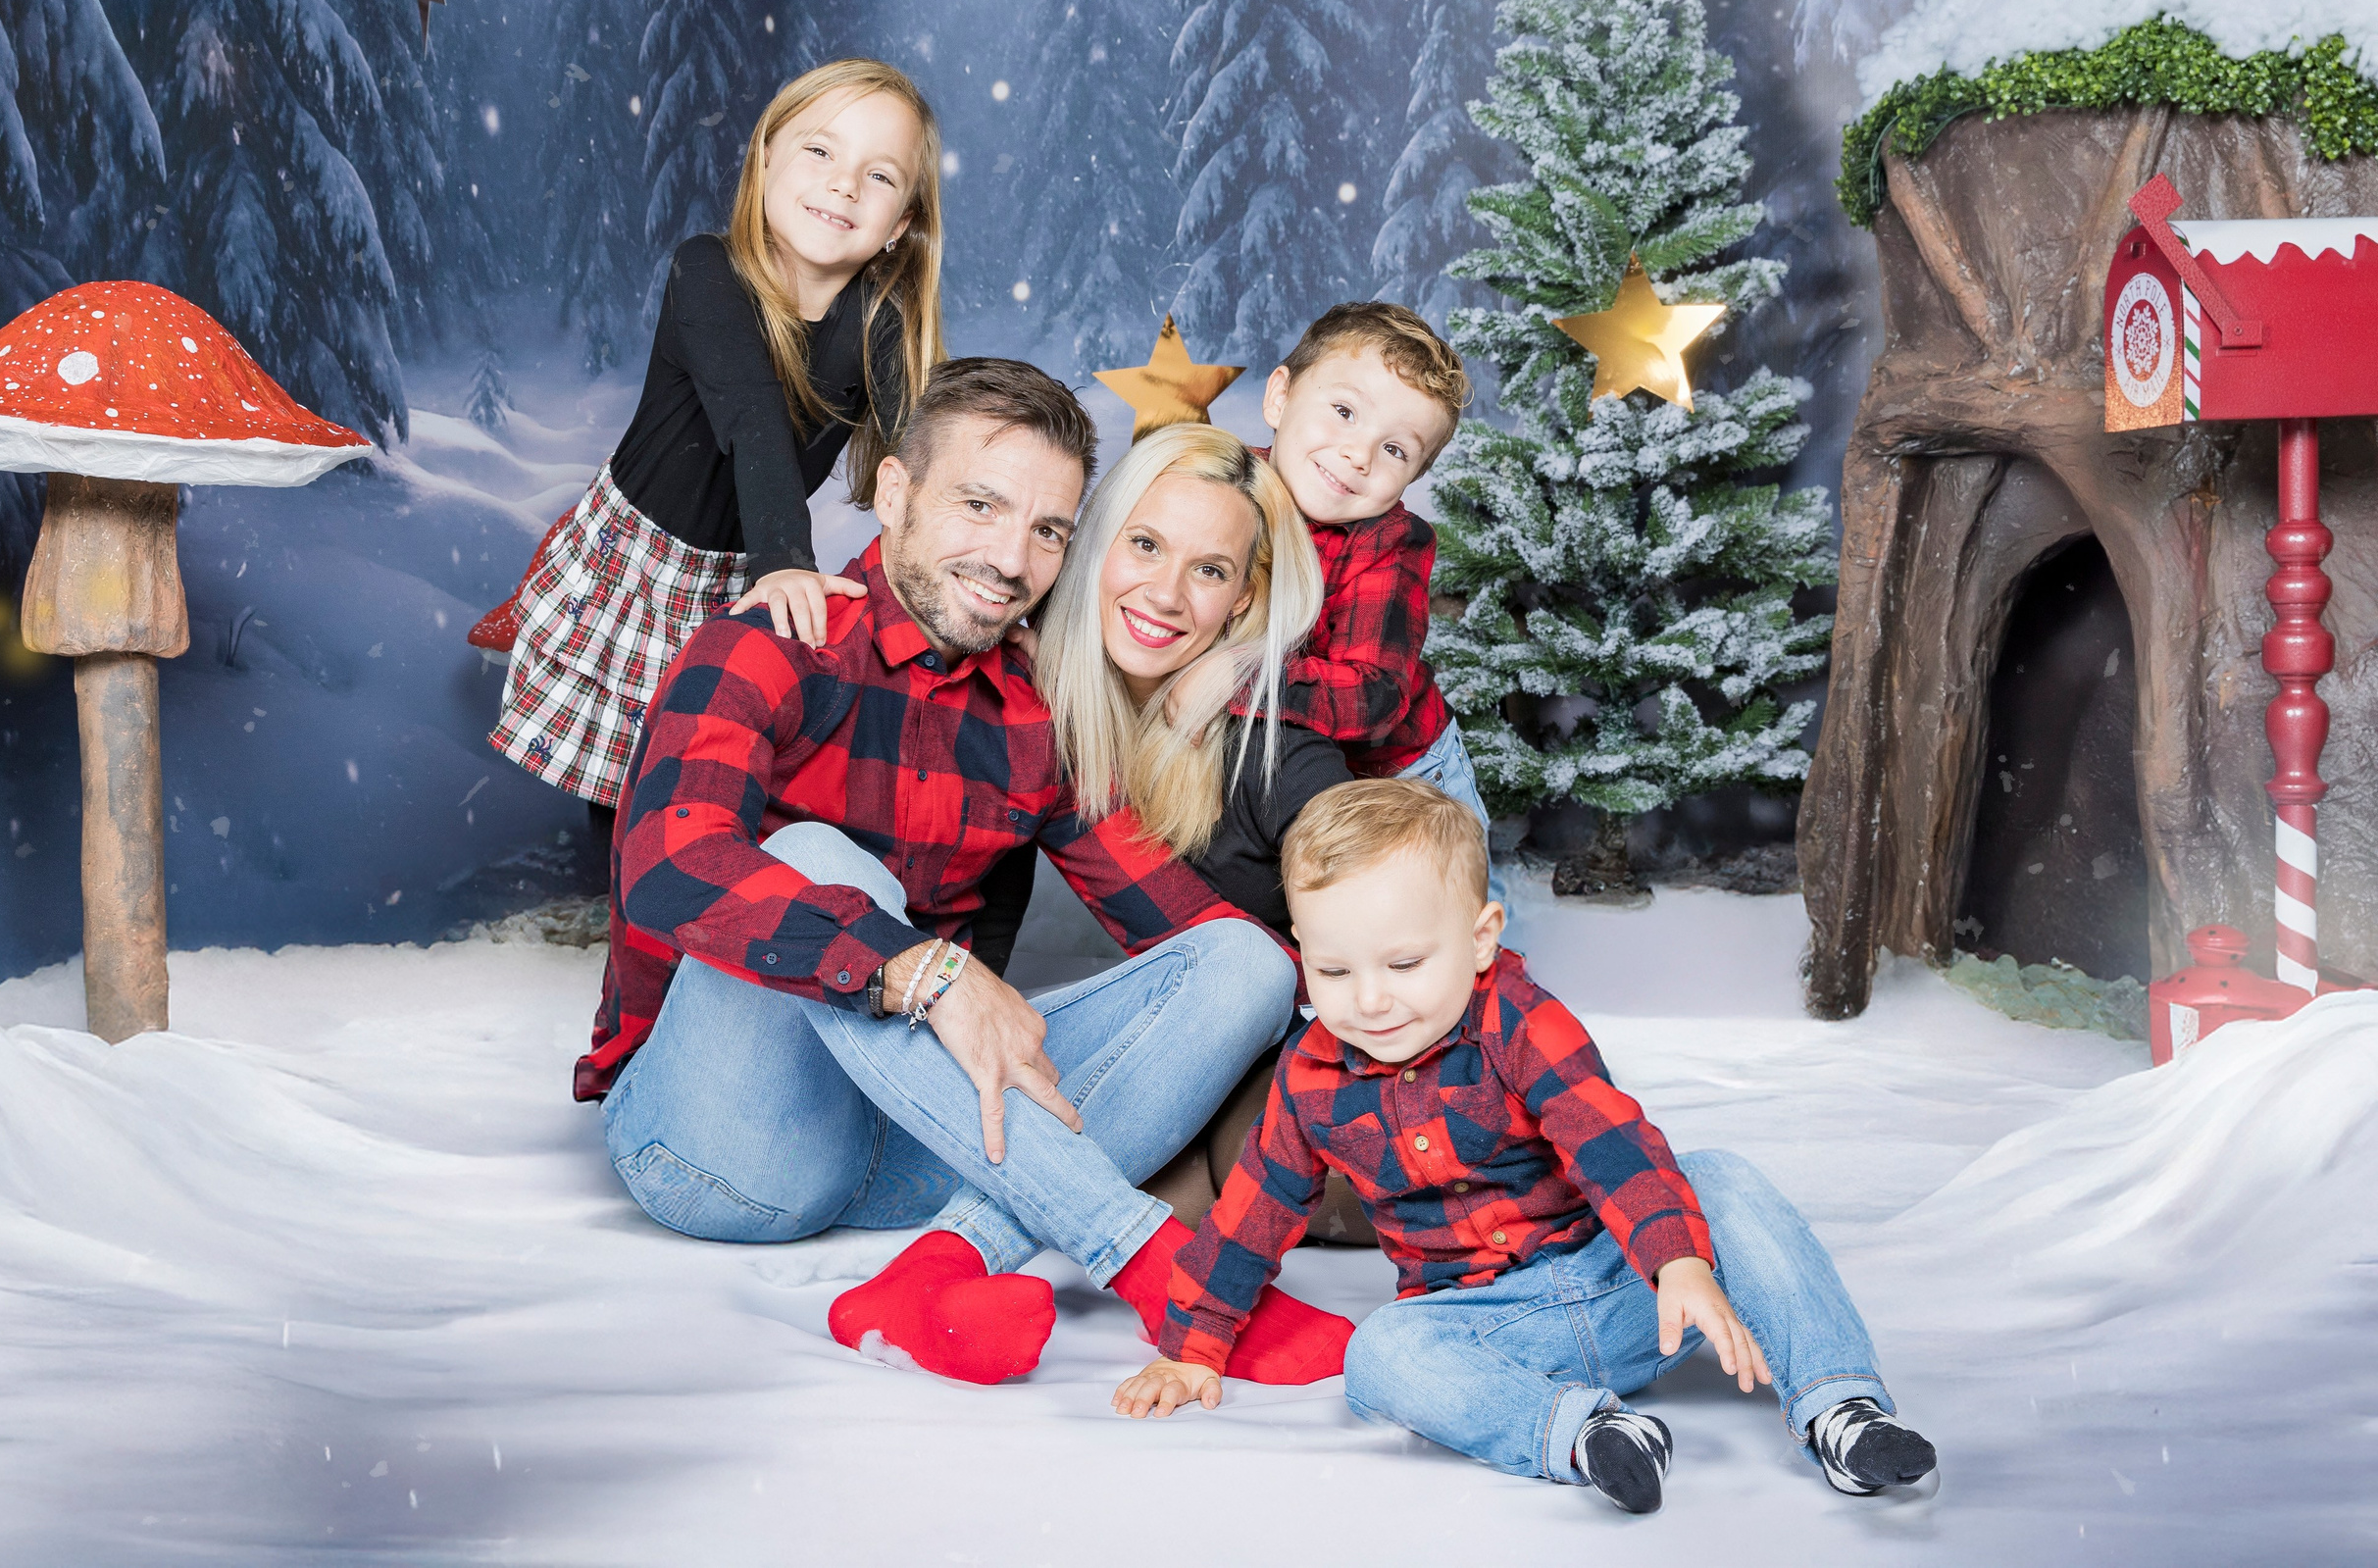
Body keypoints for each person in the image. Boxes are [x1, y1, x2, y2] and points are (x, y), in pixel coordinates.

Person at [583, 358, 1350, 1390]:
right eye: (980, 505)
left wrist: (1418, 1026)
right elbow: (669, 865)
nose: (1009, 558)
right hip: (719, 1149)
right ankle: (1153, 1264)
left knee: (1244, 965)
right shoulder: (772, 641)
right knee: (819, 860)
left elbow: (1178, 928)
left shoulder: (1036, 707)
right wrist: (927, 973)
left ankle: (939, 1268)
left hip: (920, 1149)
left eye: (1048, 530)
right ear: (896, 493)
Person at [1114, 780, 1938, 1516]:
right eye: (1333, 972)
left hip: (1633, 1289)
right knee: (1380, 1356)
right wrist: (1193, 1348)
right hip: (1495, 1329)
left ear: (1480, 939)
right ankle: (1589, 1435)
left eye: (1404, 963)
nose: (1369, 1000)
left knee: (1718, 1179)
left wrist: (1678, 1262)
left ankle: (1842, 1408)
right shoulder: (1311, 1075)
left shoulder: (1520, 1020)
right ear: (1303, 951)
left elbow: (1612, 1145)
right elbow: (1254, 1210)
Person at [484, 58, 944, 828]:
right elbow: (752, 417)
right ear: (764, 159)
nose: (843, 185)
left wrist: (971, 583)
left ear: (900, 223)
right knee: (634, 778)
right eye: (820, 151)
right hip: (646, 559)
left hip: (746, 572)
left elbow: (924, 459)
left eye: (879, 176)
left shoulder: (881, 323)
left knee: (717, 771)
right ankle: (627, 885)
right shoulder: (707, 271)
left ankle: (700, 880)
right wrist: (786, 560)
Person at [1169, 302, 1507, 912]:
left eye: (1395, 450)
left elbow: (1374, 695)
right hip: (1297, 767)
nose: (1359, 455)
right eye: (1345, 412)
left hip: (1405, 778)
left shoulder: (1390, 544)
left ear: (1413, 477)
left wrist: (1235, 679)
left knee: (1440, 922)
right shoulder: (1228, 489)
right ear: (1279, 397)